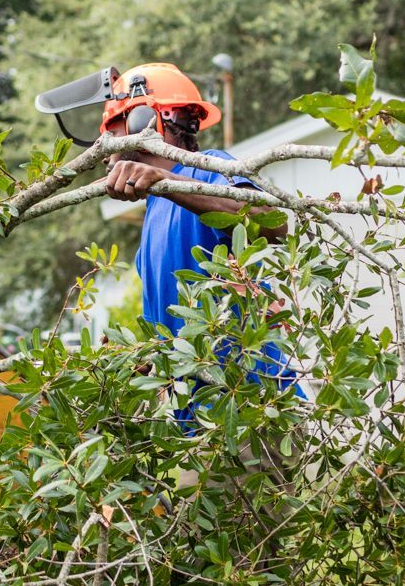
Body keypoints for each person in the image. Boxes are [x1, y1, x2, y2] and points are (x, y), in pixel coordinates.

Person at [98, 63, 297, 407]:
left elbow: (273, 223)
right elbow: (171, 333)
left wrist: (164, 182)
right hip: (200, 426)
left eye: (112, 129)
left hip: (252, 410)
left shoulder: (208, 169)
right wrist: (135, 355)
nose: (105, 145)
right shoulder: (153, 218)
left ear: (141, 121)